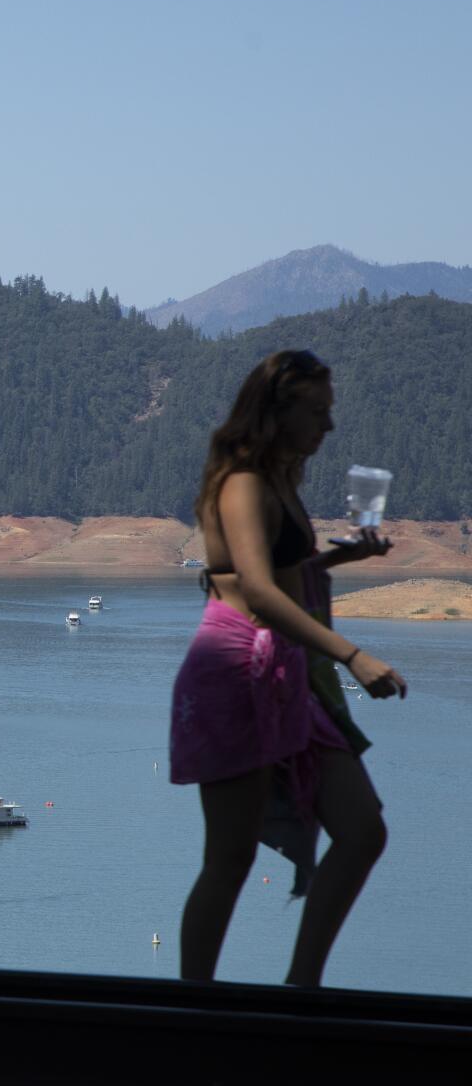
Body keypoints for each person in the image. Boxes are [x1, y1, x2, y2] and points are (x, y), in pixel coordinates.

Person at [171, 349, 405, 987]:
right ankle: (193, 1005)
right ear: (278, 410)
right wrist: (353, 656)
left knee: (362, 831)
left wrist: (337, 562)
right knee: (229, 858)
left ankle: (301, 988)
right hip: (233, 666)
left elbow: (278, 576)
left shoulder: (278, 480)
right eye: (317, 412)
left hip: (281, 672)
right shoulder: (243, 481)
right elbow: (256, 589)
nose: (328, 427)